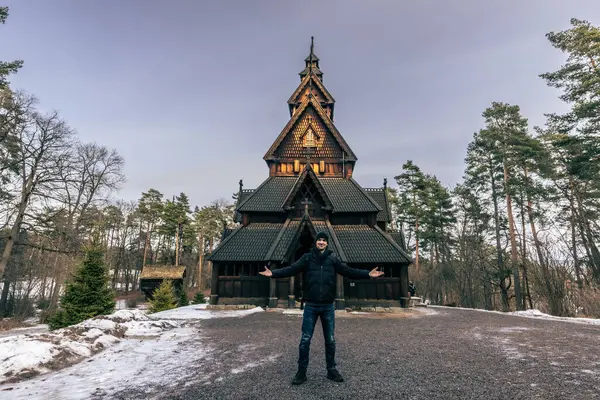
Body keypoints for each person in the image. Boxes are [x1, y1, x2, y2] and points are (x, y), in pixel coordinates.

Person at [259, 230, 384, 385]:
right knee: (305, 340)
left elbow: (349, 271)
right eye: (319, 240)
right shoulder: (307, 258)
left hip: (327, 306)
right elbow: (291, 269)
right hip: (311, 305)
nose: (321, 242)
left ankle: (331, 370)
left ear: (327, 243)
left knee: (330, 340)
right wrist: (274, 273)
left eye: (324, 240)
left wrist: (367, 274)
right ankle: (301, 372)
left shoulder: (333, 259)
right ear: (316, 242)